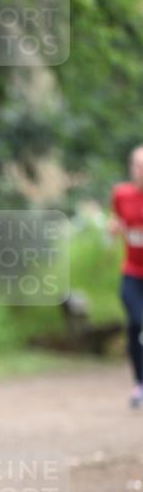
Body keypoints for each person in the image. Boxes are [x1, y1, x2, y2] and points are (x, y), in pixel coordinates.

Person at [110, 144, 143, 407]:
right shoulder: (121, 194)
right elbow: (117, 220)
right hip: (132, 271)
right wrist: (114, 228)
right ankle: (139, 383)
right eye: (138, 165)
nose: (141, 170)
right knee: (136, 323)